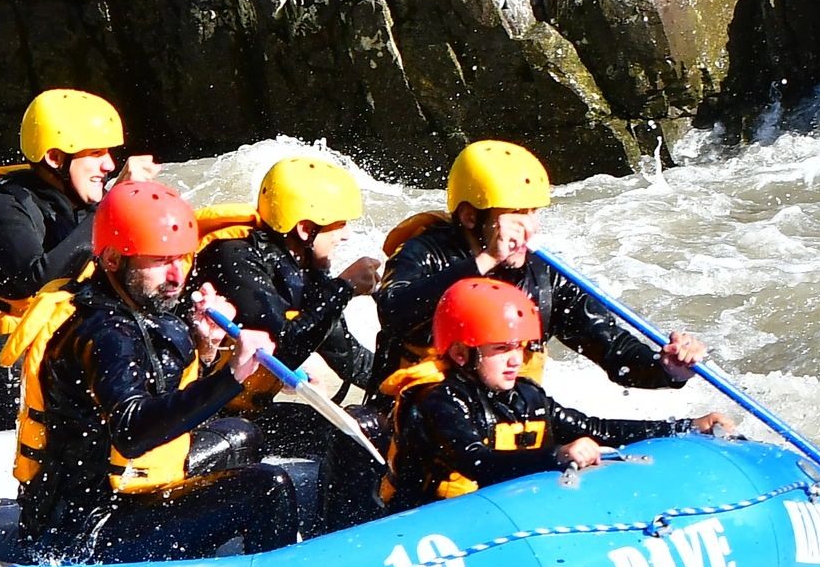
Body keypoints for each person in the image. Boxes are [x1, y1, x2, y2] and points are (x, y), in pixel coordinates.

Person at [6, 181, 302, 563]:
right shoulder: (105, 332)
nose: (177, 276)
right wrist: (231, 376)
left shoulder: (130, 304)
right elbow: (132, 432)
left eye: (181, 258)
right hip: (85, 533)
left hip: (118, 494)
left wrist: (205, 348)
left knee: (241, 435)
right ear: (114, 259)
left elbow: (157, 390)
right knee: (268, 487)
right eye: (161, 261)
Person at [366, 139, 706, 395]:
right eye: (515, 214)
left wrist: (667, 368)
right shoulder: (425, 252)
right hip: (418, 423)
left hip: (502, 422)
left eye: (533, 213)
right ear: (470, 217)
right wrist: (486, 260)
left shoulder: (546, 278)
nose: (529, 227)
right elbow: (394, 310)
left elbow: (613, 349)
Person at [379, 278, 732, 508]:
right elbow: (478, 463)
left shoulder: (525, 397)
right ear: (460, 353)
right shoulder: (436, 401)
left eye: (519, 347)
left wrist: (685, 427)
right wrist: (557, 455)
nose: (515, 360)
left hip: (488, 515)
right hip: (421, 522)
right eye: (501, 349)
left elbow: (598, 429)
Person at [0, 88, 160, 431]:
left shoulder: (82, 204)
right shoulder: (1, 208)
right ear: (56, 157)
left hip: (53, 355)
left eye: (109, 153)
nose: (109, 165)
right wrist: (109, 207)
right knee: (33, 357)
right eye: (96, 153)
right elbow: (34, 280)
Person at [192, 155, 388, 531]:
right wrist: (344, 289)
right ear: (304, 229)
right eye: (338, 225)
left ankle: (343, 533)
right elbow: (280, 351)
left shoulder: (306, 273)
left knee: (352, 437)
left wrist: (410, 384)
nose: (346, 235)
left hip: (246, 414)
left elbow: (351, 360)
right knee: (245, 439)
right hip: (197, 421)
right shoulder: (234, 259)